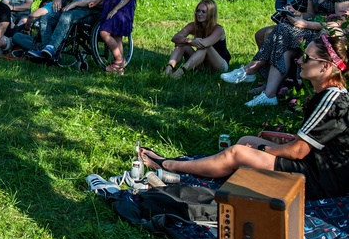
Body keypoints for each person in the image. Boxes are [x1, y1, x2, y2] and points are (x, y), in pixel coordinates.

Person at [141, 34, 349, 201]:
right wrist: (272, 143)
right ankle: (214, 170)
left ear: (325, 66)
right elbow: (315, 143)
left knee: (238, 152)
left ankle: (169, 164)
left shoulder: (331, 100)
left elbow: (297, 151)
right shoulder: (331, 95)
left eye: (307, 58)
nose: (299, 60)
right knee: (246, 141)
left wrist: (265, 149)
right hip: (314, 165)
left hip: (320, 179)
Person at [221, 0, 349, 107]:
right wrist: (297, 15)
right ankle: (269, 93)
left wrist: (306, 24)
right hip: (313, 28)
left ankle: (251, 71)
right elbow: (310, 14)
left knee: (282, 31)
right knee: (283, 39)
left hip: (330, 34)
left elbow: (340, 22)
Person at [163, 0, 231, 79]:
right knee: (181, 44)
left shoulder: (218, 29)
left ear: (211, 14)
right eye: (198, 11)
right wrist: (188, 41)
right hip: (202, 63)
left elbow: (204, 43)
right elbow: (175, 38)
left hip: (219, 65)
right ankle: (168, 68)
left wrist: (190, 41)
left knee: (205, 47)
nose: (199, 14)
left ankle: (181, 72)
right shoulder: (193, 26)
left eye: (203, 12)